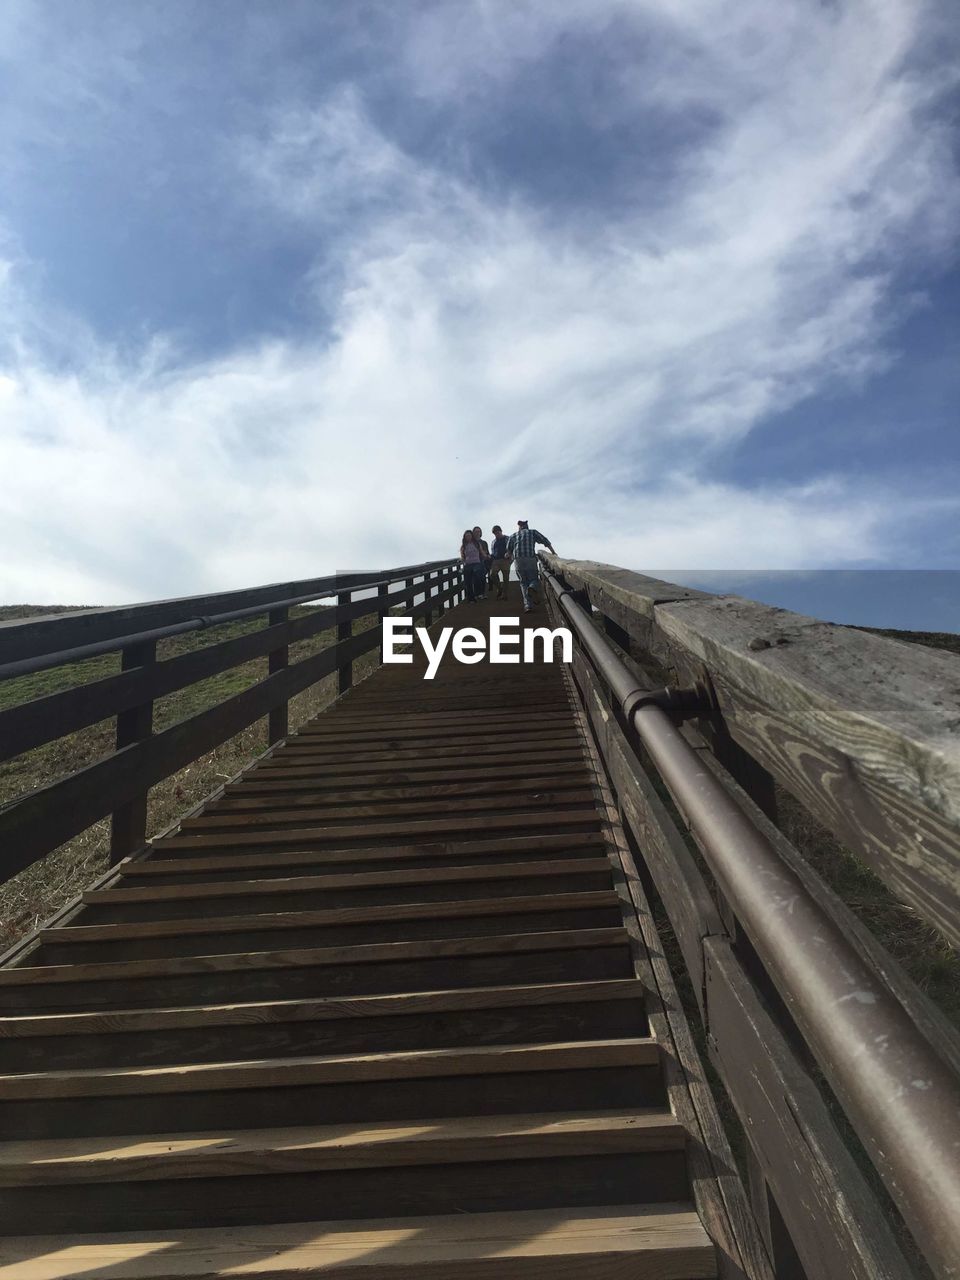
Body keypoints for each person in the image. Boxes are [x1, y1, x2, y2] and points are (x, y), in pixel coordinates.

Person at [507, 520, 556, 611]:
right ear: (527, 526)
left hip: (518, 560)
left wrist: (509, 559)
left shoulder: (513, 535)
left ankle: (527, 605)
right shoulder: (533, 532)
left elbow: (508, 551)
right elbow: (545, 541)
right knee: (534, 579)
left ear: (519, 527)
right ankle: (532, 587)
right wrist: (553, 552)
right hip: (530, 558)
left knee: (523, 582)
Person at [460, 529, 486, 603]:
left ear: (472, 536)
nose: (468, 537)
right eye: (466, 536)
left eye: (469, 535)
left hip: (476, 563)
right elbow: (462, 556)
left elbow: (481, 552)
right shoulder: (464, 546)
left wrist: (486, 556)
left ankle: (478, 593)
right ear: (464, 537)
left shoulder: (476, 543)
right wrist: (462, 561)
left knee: (477, 576)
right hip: (468, 564)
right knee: (468, 582)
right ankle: (471, 598)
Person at [487, 525, 511, 601]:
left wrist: (509, 554)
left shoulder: (507, 538)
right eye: (495, 533)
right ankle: (500, 588)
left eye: (497, 532)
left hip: (505, 560)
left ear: (501, 531)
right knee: (492, 574)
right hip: (496, 560)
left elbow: (512, 548)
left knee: (505, 578)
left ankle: (505, 595)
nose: (496, 534)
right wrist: (490, 556)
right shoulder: (493, 541)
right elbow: (493, 551)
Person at [471, 526, 490, 599]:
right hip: (473, 562)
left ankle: (482, 593)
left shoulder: (484, 542)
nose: (477, 533)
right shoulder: (470, 542)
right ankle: (476, 594)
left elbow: (487, 552)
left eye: (479, 531)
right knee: (475, 578)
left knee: (482, 578)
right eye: (476, 531)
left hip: (482, 562)